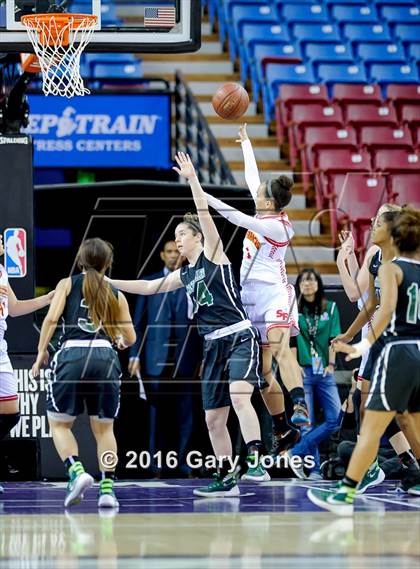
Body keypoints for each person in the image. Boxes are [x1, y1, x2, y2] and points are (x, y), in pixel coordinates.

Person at [110, 152, 270, 498]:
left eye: (182, 234)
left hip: (239, 336)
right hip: (212, 344)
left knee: (239, 396)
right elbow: (150, 287)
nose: (178, 239)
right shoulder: (184, 273)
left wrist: (193, 179)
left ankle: (256, 459)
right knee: (213, 418)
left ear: (198, 238)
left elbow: (202, 212)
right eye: (177, 236)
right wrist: (113, 283)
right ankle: (227, 478)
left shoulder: (214, 254)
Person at [204, 124, 309, 455]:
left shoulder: (275, 224)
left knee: (280, 351)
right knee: (263, 374)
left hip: (274, 295)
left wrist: (200, 192)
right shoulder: (265, 208)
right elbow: (252, 178)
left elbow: (235, 218)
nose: (255, 192)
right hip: (249, 299)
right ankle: (282, 427)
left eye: (260, 193)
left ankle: (300, 404)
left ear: (268, 201)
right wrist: (247, 143)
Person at [308, 206, 420, 515]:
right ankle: (405, 469)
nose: (371, 223)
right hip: (412, 349)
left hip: (394, 349)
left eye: (377, 221)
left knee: (372, 421)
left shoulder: (391, 268)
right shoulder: (397, 264)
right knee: (407, 419)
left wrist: (361, 346)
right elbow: (370, 304)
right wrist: (349, 334)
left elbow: (383, 311)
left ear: (393, 230)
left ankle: (347, 491)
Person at [31, 238, 136, 509]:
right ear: (108, 263)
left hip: (71, 354)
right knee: (105, 430)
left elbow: (51, 319)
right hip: (104, 354)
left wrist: (42, 352)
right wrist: (116, 343)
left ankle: (77, 472)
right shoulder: (116, 292)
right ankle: (108, 490)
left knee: (59, 424)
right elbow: (130, 338)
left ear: (80, 260)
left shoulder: (67, 284)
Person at [128, 240, 200, 476]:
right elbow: (137, 324)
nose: (173, 256)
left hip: (185, 358)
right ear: (162, 255)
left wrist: (202, 358)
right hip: (154, 359)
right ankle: (155, 462)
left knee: (186, 414)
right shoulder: (151, 282)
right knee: (156, 415)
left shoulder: (193, 281)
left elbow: (201, 322)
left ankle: (184, 461)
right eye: (169, 252)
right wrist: (134, 354)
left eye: (177, 252)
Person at [0, 233, 54, 495]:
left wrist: (47, 299)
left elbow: (14, 308)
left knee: (11, 414)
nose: (1, 241)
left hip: (1, 351)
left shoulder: (1, 270)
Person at [288, 269, 342, 477]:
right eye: (303, 281)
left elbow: (334, 339)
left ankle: (297, 452)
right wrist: (294, 366)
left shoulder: (332, 308)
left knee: (334, 419)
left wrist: (331, 364)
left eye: (311, 280)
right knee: (306, 424)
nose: (307, 284)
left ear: (319, 284)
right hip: (303, 371)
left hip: (324, 371)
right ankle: (315, 470)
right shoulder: (294, 309)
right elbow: (292, 340)